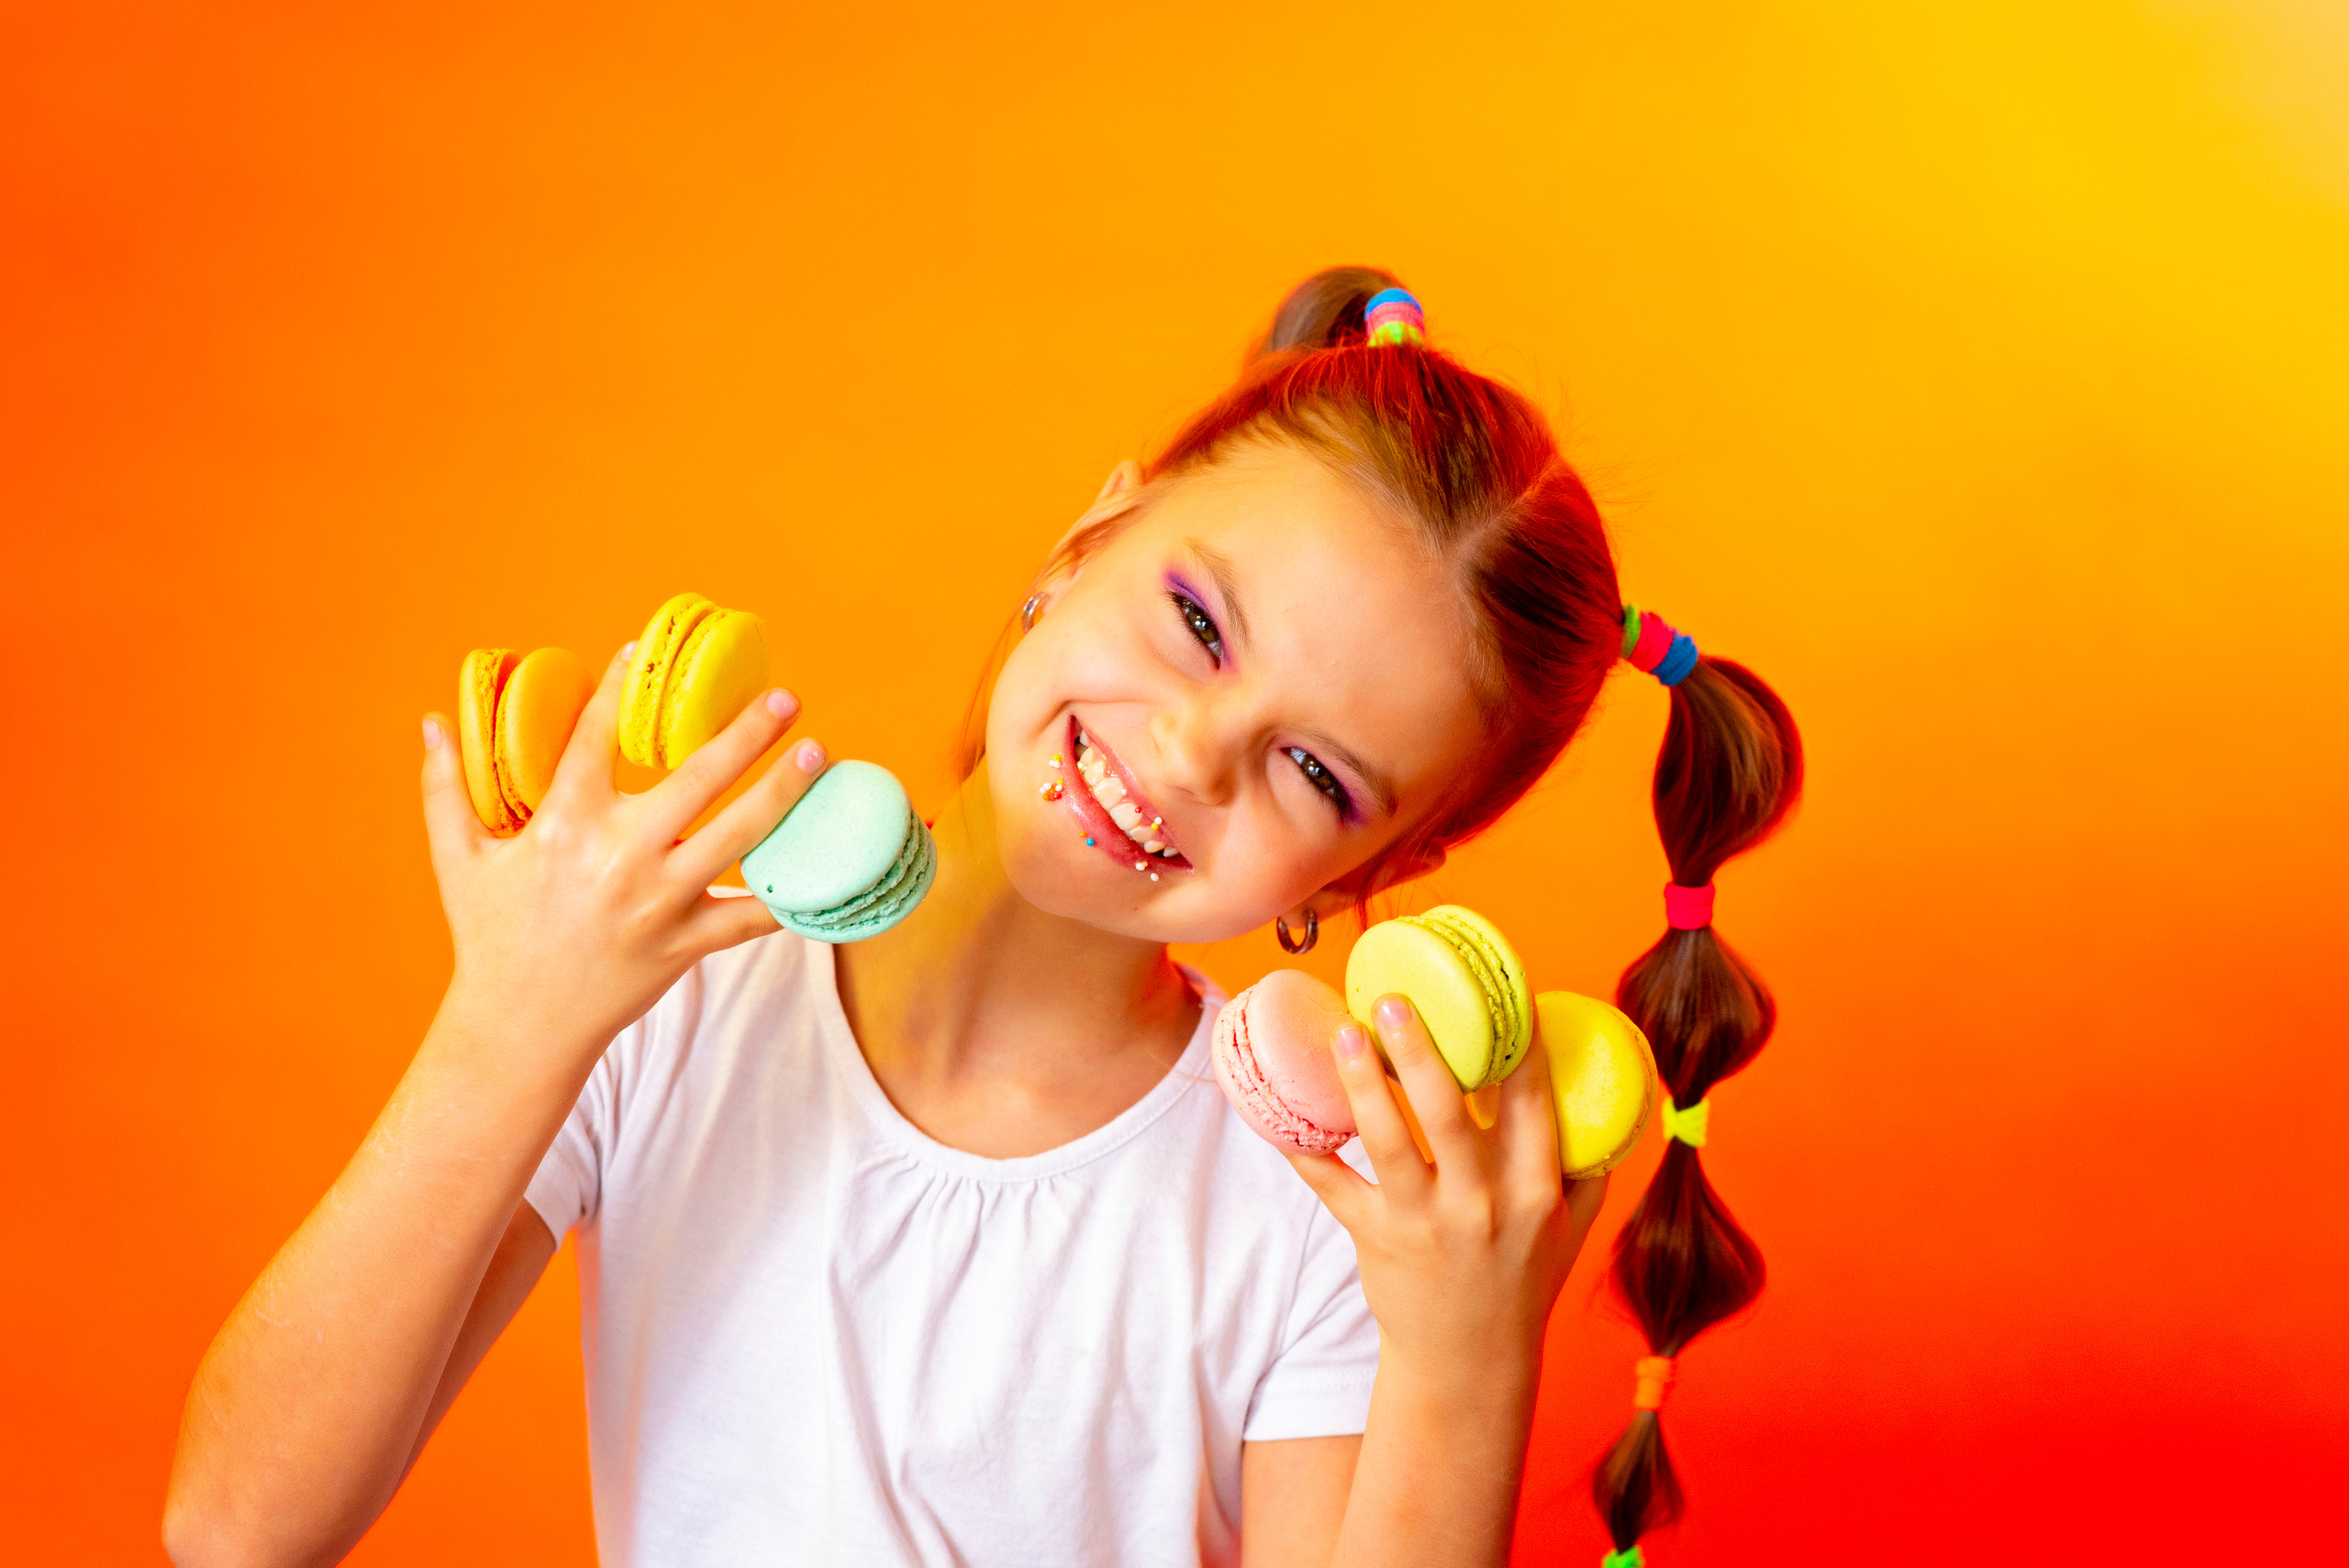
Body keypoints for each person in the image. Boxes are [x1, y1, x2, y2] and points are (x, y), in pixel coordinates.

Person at [163, 268, 1798, 1568]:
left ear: (1370, 884)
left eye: (1312, 768)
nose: (1188, 749)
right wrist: (509, 1020)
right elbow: (237, 1527)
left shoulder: (1311, 1207)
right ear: (1086, 536)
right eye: (1195, 618)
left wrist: (1464, 1358)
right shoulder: (667, 983)